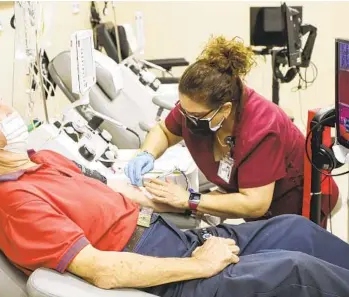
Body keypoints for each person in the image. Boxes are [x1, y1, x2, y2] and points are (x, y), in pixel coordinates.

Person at [0, 87, 349, 297]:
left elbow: (108, 189)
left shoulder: (38, 158)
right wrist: (200, 266)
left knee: (293, 229)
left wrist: (175, 201)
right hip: (161, 273)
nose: (10, 113)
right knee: (294, 269)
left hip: (177, 238)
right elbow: (103, 270)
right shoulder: (11, 204)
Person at [125, 36, 339, 227]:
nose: (186, 119)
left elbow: (255, 203)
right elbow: (165, 130)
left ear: (225, 109)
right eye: (183, 111)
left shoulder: (262, 128)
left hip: (292, 209)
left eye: (196, 116)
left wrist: (188, 199)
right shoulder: (195, 108)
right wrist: (146, 153)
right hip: (251, 203)